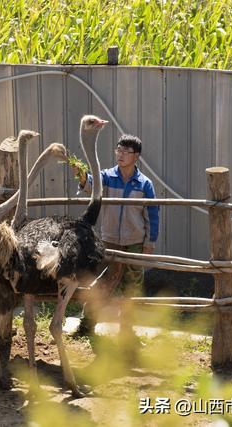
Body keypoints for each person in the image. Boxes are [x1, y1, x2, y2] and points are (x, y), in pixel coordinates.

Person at [71, 134, 159, 348]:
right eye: (118, 150)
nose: (120, 154)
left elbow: (152, 216)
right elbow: (91, 184)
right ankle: (87, 324)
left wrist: (150, 242)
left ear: (136, 156)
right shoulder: (107, 177)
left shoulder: (144, 184)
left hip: (134, 242)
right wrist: (82, 176)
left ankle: (126, 330)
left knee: (132, 286)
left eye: (125, 151)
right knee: (102, 282)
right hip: (109, 240)